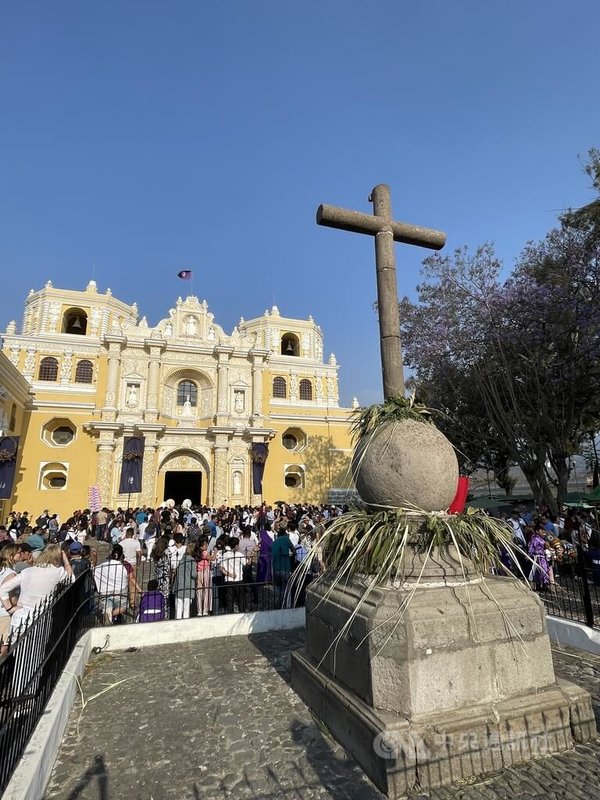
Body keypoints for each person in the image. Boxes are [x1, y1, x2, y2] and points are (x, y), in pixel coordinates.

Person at [0, 544, 73, 635]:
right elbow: (71, 579)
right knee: (36, 648)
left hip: (20, 617)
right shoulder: (58, 572)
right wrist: (66, 561)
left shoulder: (27, 571)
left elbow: (3, 589)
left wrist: (9, 608)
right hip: (40, 618)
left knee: (16, 647)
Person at [93, 544, 129, 625]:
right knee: (123, 607)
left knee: (107, 607)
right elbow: (125, 579)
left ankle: (108, 615)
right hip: (119, 591)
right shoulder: (122, 567)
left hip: (105, 591)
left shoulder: (102, 566)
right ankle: (112, 614)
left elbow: (94, 570)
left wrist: (94, 560)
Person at [172, 543, 197, 619]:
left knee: (179, 608)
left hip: (179, 585)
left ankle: (178, 621)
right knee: (186, 609)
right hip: (187, 586)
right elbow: (193, 574)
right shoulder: (192, 561)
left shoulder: (181, 560)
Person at [271, 529, 294, 608]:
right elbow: (294, 551)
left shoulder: (274, 543)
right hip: (285, 568)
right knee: (286, 590)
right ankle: (285, 606)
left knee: (277, 589)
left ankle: (277, 605)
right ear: (284, 534)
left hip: (275, 569)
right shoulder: (286, 539)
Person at [0, 542, 18, 642]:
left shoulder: (2, 570)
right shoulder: (11, 574)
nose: (21, 554)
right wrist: (16, 605)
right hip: (4, 612)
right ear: (11, 556)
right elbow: (10, 595)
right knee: (4, 645)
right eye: (19, 553)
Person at [195, 539, 213, 616]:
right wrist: (215, 552)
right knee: (206, 590)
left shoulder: (196, 553)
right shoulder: (204, 553)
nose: (206, 546)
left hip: (198, 572)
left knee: (199, 591)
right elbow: (212, 558)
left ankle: (199, 610)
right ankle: (205, 610)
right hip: (205, 571)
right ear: (202, 546)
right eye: (205, 545)